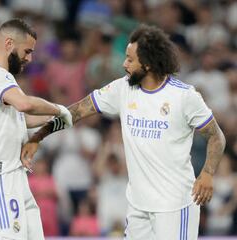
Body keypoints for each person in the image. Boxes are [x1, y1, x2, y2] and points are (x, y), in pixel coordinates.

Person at [21, 24, 226, 240]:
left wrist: (207, 173)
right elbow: (76, 111)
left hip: (175, 205)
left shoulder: (184, 97)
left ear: (147, 64)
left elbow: (216, 136)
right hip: (138, 206)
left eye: (130, 59)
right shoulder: (122, 89)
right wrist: (39, 136)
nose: (123, 63)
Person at [0, 18, 72, 239]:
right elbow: (25, 104)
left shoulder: (5, 80)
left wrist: (64, 116)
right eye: (27, 51)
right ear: (8, 44)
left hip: (15, 174)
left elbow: (21, 118)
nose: (30, 58)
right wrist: (58, 109)